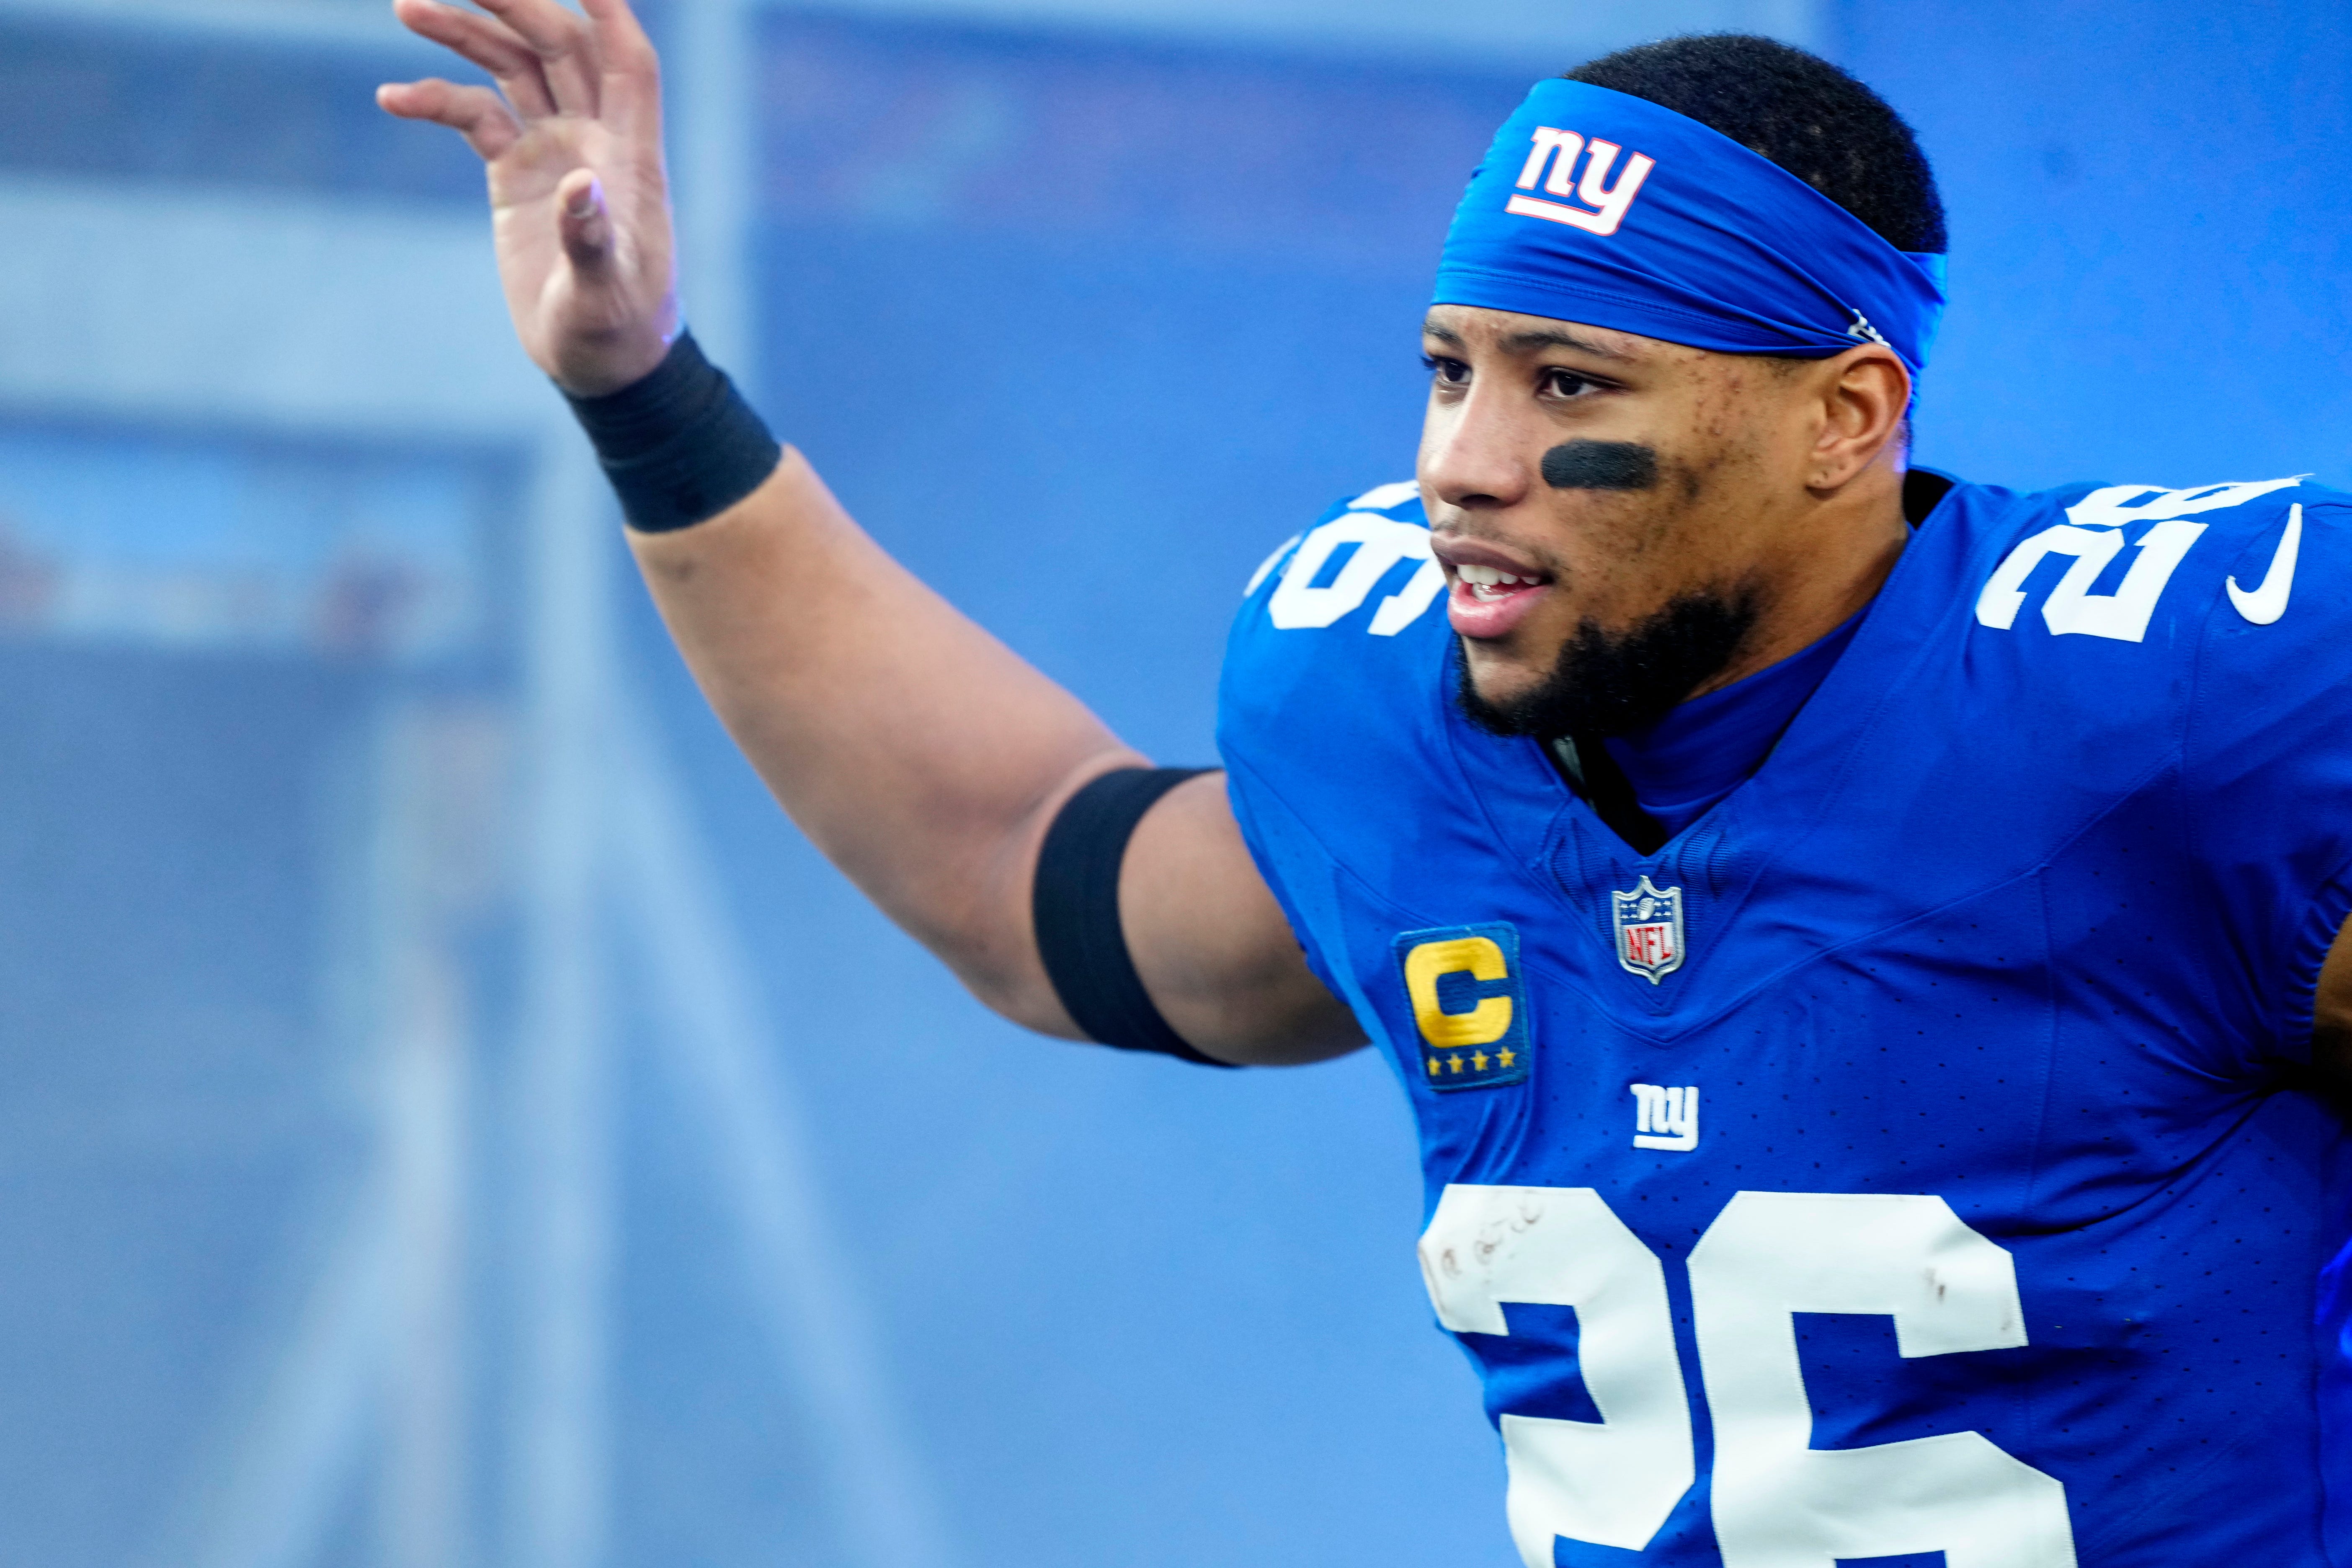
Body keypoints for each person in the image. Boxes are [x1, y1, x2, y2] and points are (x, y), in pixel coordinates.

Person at [382, 2, 2352, 1561]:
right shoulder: (1399, 721)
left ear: (1844, 420)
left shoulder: (2159, 731)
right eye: (1447, 369)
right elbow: (1029, 868)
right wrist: (644, 390)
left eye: (1570, 384)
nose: (1461, 464)